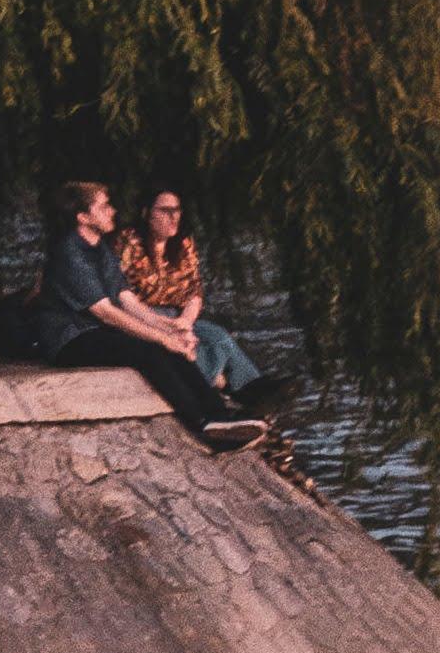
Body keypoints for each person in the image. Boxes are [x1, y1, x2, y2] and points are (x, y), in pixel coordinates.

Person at [37, 182, 267, 452]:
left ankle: (220, 416)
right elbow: (106, 313)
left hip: (98, 330)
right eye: (104, 206)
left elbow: (127, 300)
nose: (113, 211)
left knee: (170, 345)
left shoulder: (100, 248)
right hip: (71, 338)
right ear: (83, 217)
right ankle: (202, 421)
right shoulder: (70, 252)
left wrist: (170, 329)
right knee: (150, 352)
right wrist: (162, 338)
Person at [116, 186, 284, 406]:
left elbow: (194, 291)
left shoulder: (183, 244)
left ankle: (251, 388)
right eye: (165, 210)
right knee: (193, 347)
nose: (173, 217)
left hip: (179, 315)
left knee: (218, 335)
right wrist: (165, 325)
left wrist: (185, 322)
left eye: (177, 210)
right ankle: (220, 388)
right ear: (147, 213)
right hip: (143, 316)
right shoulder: (129, 242)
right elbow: (121, 293)